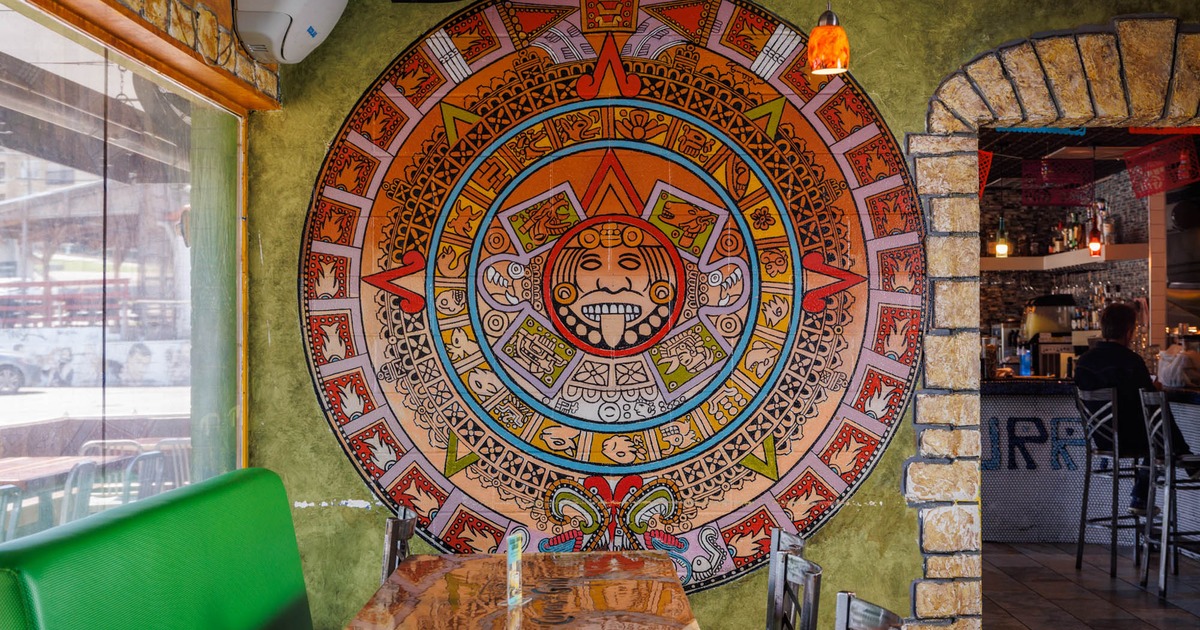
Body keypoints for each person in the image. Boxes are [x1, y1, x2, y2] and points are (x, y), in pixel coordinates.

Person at [1075, 303, 1198, 515]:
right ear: (1129, 331)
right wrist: (1158, 387)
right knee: (1158, 419)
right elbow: (1149, 399)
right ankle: (1182, 462)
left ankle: (1144, 495)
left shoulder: (1083, 361)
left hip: (1100, 438)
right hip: (1129, 438)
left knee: (1155, 430)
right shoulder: (1131, 361)